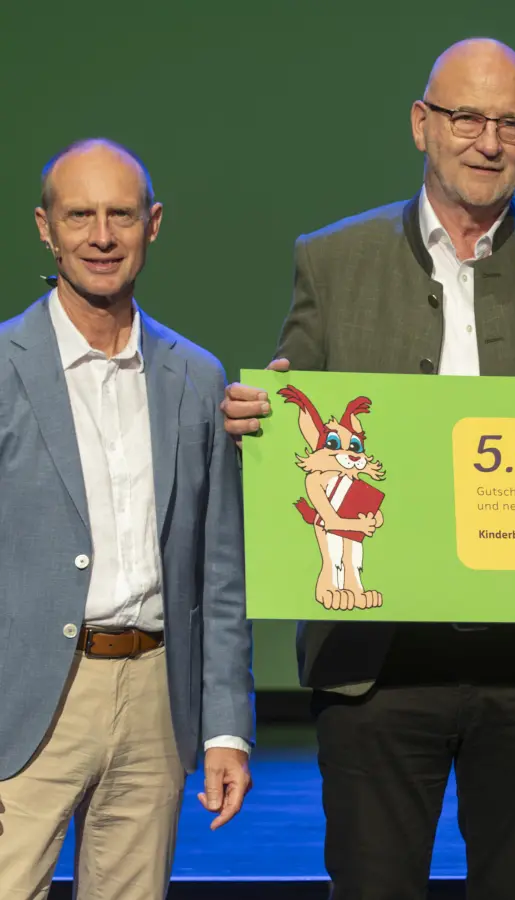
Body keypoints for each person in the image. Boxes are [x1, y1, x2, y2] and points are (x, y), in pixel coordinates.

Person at [219, 39, 515, 899]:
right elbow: (296, 403)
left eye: (510, 124)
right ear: (423, 124)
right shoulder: (332, 259)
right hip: (377, 661)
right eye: (467, 117)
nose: (487, 141)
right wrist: (258, 419)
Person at [0, 139, 253, 898]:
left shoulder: (195, 377)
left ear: (153, 224)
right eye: (80, 216)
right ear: (46, 228)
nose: (101, 236)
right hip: (24, 704)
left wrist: (225, 728)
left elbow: (221, 575)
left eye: (121, 215)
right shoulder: (5, 367)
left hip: (154, 696)